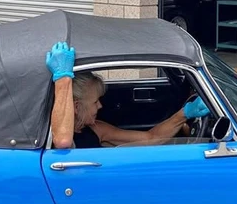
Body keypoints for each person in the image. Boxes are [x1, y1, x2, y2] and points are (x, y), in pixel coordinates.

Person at [45, 41, 210, 149]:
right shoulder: (55, 134)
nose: (100, 106)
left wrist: (185, 113)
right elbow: (63, 141)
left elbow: (150, 138)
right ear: (76, 106)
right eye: (95, 102)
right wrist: (63, 78)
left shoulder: (96, 128)